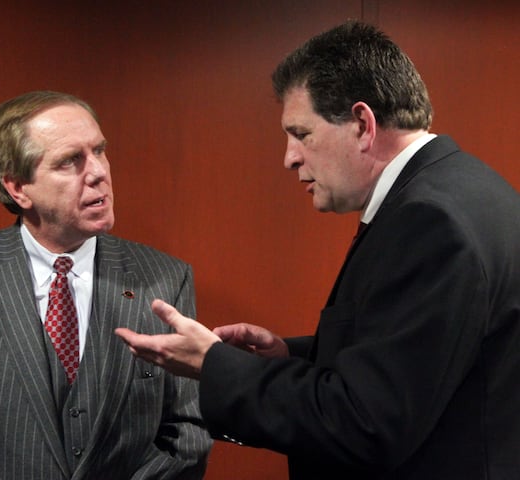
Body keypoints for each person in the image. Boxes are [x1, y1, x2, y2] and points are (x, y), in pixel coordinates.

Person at [115, 21, 520, 479]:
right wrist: (292, 358)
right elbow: (420, 356)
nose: (289, 157)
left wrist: (214, 365)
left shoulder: (429, 221)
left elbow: (366, 423)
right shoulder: (468, 189)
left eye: (301, 133)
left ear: (362, 125)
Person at [0, 91, 211, 479]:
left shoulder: (165, 278)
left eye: (99, 150)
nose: (98, 172)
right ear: (18, 188)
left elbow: (187, 434)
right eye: (70, 160)